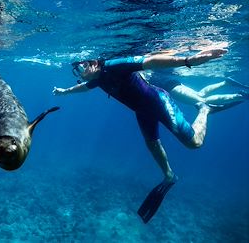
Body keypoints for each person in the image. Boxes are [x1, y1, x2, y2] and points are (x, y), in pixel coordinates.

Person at [52, 49, 235, 223]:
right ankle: (169, 175)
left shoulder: (115, 65)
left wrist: (187, 61)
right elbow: (85, 87)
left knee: (194, 143)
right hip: (142, 112)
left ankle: (204, 109)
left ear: (92, 63)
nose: (80, 74)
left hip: (160, 103)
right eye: (77, 71)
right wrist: (65, 92)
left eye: (80, 68)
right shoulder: (98, 78)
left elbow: (150, 61)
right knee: (152, 144)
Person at [145, 72, 249, 106]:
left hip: (170, 87)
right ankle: (225, 82)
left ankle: (239, 96)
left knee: (202, 101)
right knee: (200, 94)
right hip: (172, 83)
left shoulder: (140, 75)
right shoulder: (145, 70)